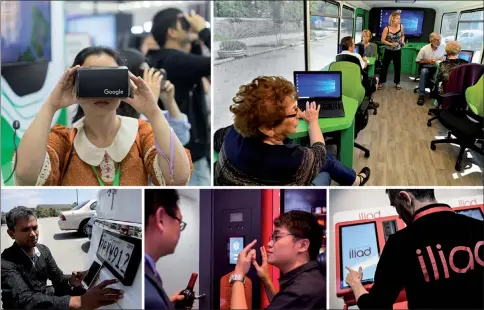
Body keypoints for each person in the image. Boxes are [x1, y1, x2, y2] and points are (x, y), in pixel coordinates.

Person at [13, 46, 191, 186]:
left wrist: (153, 111)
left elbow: (177, 178)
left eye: (110, 77)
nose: (101, 91)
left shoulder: (142, 133)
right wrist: (51, 105)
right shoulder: (65, 139)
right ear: (75, 83)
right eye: (92, 78)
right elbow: (26, 175)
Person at [214, 76, 370, 186]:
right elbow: (320, 154)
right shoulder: (290, 161)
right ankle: (356, 181)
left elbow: (216, 138)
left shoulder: (234, 131)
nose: (298, 113)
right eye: (294, 111)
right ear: (268, 129)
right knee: (327, 163)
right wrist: (313, 121)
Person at [345, 189, 484, 309]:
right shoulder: (480, 227)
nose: (399, 215)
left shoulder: (399, 244)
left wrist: (356, 283)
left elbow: (375, 306)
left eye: (396, 207)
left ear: (406, 198)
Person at [1, 206, 123, 309]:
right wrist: (79, 302)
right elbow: (25, 300)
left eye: (35, 228)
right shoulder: (6, 261)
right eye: (26, 229)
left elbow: (58, 278)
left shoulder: (43, 250)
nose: (33, 234)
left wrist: (72, 280)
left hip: (43, 296)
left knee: (80, 291)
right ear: (11, 233)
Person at [148, 8, 211, 186]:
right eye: (183, 23)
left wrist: (195, 38)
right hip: (190, 156)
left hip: (178, 151)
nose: (189, 26)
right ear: (172, 32)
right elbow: (213, 62)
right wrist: (203, 31)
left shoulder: (162, 59)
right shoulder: (174, 61)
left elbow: (196, 63)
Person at [229, 210, 326, 309]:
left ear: (303, 245)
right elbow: (282, 305)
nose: (269, 244)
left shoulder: (302, 290)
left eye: (277, 237)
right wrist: (265, 279)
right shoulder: (308, 280)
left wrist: (238, 275)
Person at [119, 48, 191, 145]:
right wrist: (150, 103)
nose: (147, 80)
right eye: (143, 73)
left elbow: (182, 138)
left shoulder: (155, 112)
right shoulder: (114, 111)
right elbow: (137, 144)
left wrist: (169, 102)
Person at [144, 189, 187, 310]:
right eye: (179, 221)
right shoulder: (150, 301)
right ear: (160, 219)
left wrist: (167, 304)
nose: (179, 230)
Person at [338, 36, 379, 109]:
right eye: (353, 44)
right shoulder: (356, 56)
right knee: (376, 78)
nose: (354, 46)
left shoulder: (337, 57)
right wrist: (365, 61)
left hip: (342, 85)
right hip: (357, 84)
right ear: (350, 47)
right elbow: (363, 67)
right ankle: (369, 101)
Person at [415, 32, 446, 105]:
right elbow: (417, 61)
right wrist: (427, 61)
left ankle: (436, 93)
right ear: (431, 40)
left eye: (440, 39)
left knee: (443, 74)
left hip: (437, 67)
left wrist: (443, 60)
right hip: (426, 67)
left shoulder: (442, 49)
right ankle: (421, 95)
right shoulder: (424, 49)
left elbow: (445, 59)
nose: (439, 42)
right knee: (424, 72)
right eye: (436, 40)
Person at [378, 11, 405, 91]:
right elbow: (382, 40)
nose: (399, 20)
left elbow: (403, 35)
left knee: (397, 67)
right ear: (392, 19)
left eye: (399, 18)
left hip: (397, 50)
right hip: (388, 51)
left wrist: (402, 41)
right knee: (384, 67)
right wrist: (390, 44)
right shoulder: (387, 28)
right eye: (397, 18)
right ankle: (381, 82)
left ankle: (397, 82)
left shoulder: (401, 27)